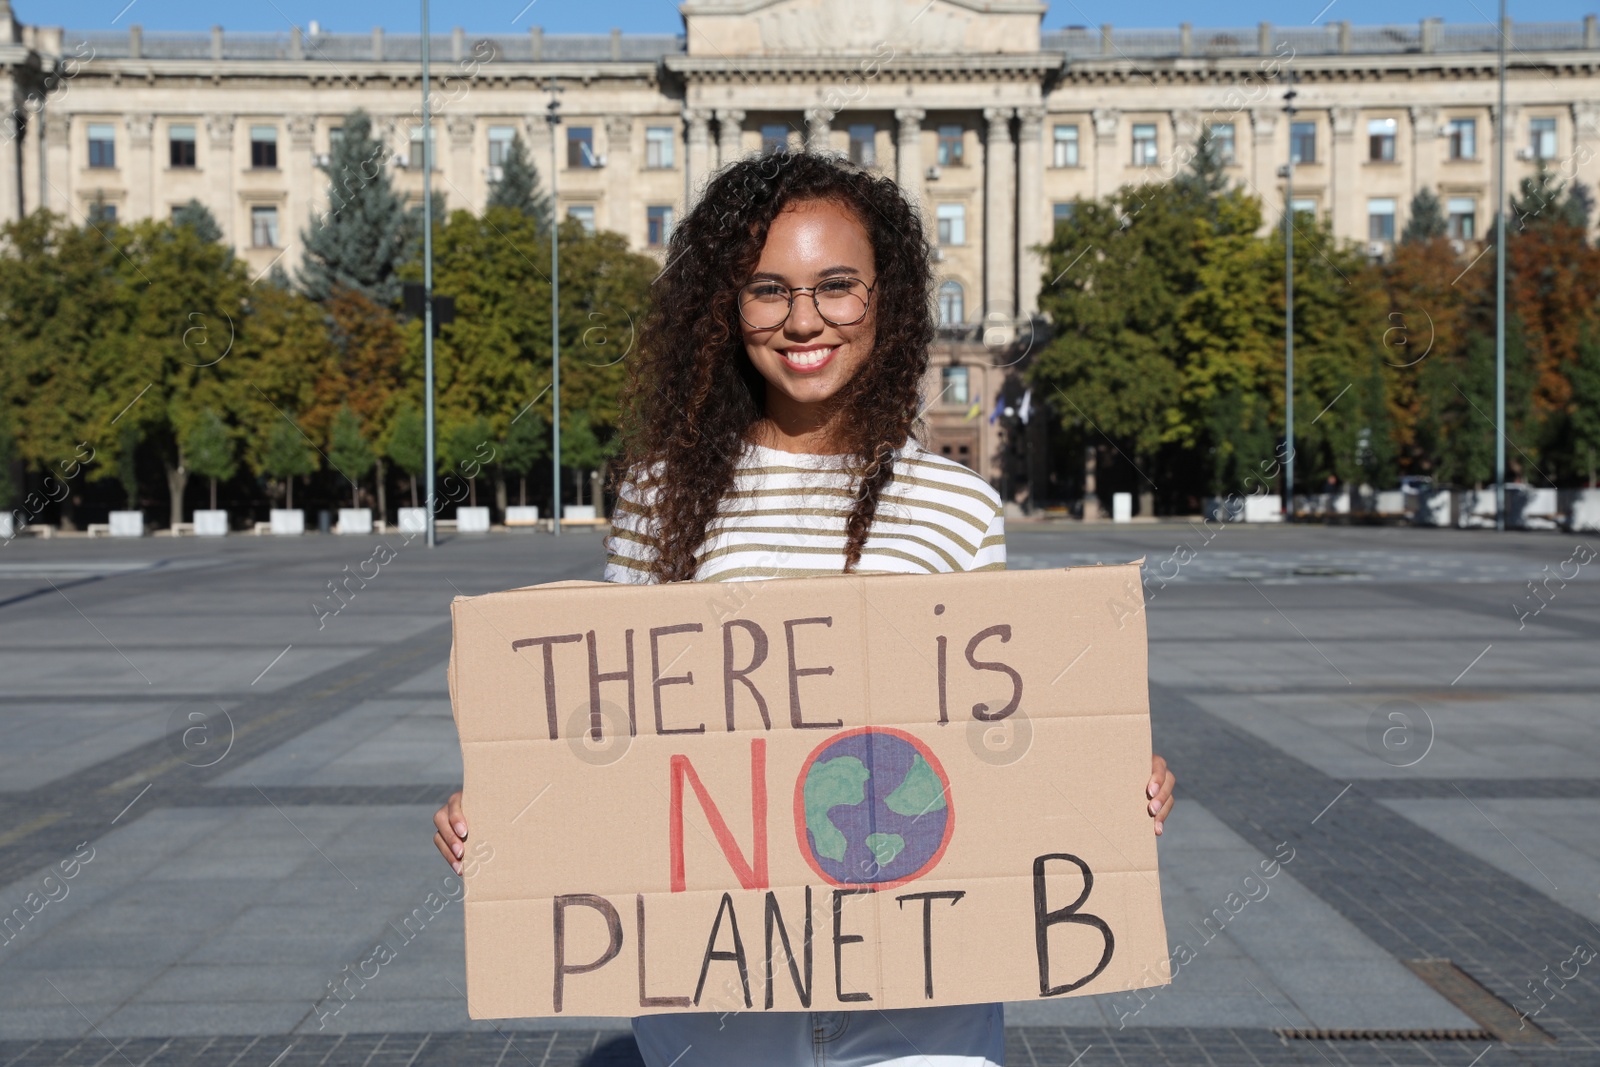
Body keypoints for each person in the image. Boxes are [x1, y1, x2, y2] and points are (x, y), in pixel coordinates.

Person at [432, 150, 1176, 1067]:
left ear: (887, 299)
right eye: (767, 289)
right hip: (719, 1010)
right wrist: (513, 801)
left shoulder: (958, 507)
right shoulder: (657, 501)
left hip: (921, 1011)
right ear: (727, 306)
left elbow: (995, 732)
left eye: (836, 286)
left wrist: (1098, 775)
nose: (803, 319)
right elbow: (610, 742)